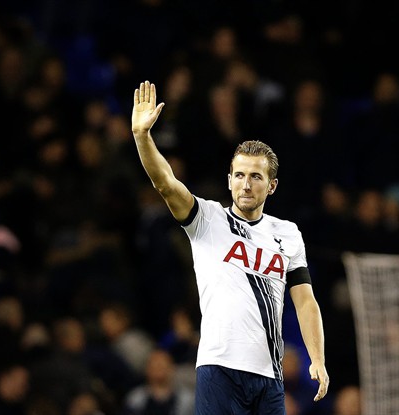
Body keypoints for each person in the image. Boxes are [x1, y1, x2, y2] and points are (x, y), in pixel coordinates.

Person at [131, 80, 329, 414]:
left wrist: (318, 359)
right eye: (239, 175)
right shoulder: (206, 219)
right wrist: (142, 137)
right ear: (229, 180)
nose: (246, 184)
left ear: (272, 186)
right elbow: (165, 183)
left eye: (255, 177)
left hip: (269, 376)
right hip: (218, 369)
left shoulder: (288, 234)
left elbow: (306, 301)